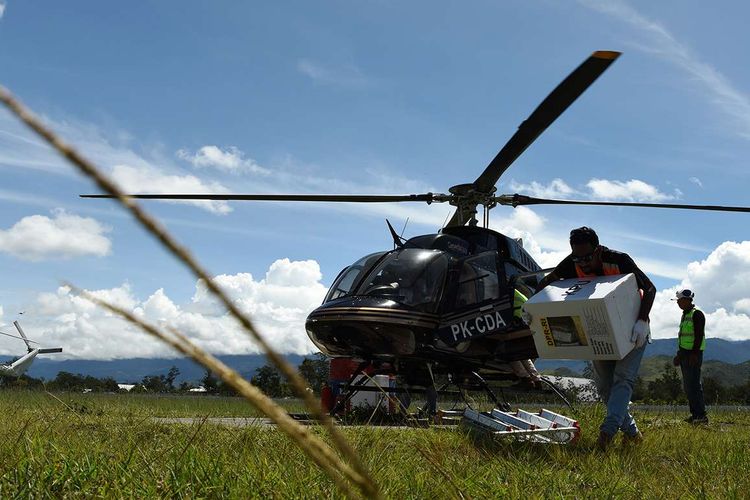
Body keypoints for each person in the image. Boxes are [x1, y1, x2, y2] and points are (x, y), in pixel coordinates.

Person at [534, 226, 656, 450]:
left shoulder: (618, 260)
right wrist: (533, 309)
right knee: (604, 388)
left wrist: (642, 320)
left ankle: (606, 434)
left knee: (623, 380)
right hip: (599, 331)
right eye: (578, 258)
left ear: (598, 250)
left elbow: (649, 288)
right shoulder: (571, 263)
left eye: (588, 257)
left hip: (632, 329)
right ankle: (633, 433)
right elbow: (545, 284)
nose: (583, 263)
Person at [671, 289, 708, 424]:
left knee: (694, 385)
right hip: (685, 355)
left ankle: (701, 416)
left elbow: (699, 335)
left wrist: (695, 354)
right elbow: (684, 338)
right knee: (688, 386)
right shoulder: (685, 315)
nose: (678, 303)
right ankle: (695, 415)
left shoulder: (697, 314)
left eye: (680, 301)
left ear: (687, 300)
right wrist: (679, 355)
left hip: (693, 355)